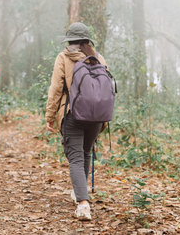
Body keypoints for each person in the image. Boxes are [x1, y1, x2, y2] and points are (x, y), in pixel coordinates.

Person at [45, 22, 108, 221]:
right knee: (85, 152)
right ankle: (79, 192)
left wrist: (49, 116)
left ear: (69, 40)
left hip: (72, 113)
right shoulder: (98, 58)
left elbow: (56, 89)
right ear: (87, 40)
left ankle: (83, 203)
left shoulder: (63, 57)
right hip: (96, 117)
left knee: (75, 158)